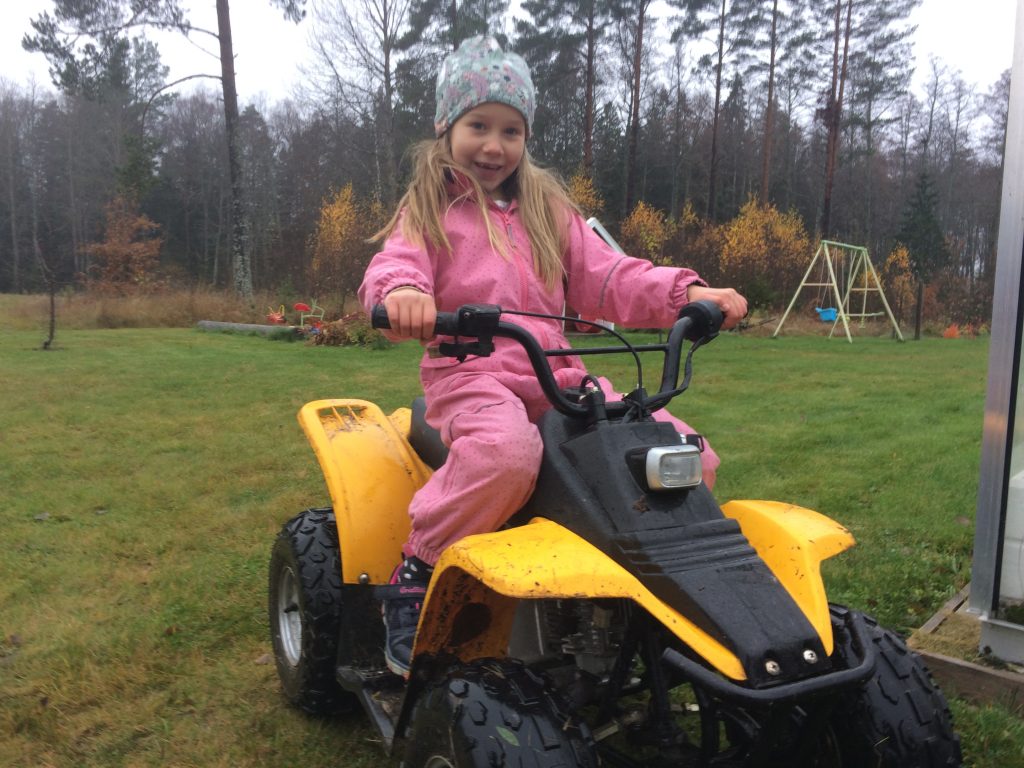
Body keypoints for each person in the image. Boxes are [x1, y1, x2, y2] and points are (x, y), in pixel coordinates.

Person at [359, 35, 747, 677]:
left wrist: (686, 293)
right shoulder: (429, 208)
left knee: (685, 454)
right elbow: (397, 262)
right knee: (505, 455)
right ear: (445, 126)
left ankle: (651, 586)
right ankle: (419, 570)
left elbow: (609, 276)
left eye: (511, 130)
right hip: (470, 373)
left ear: (526, 137)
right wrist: (403, 293)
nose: (494, 145)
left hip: (558, 377)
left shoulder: (547, 208)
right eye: (478, 125)